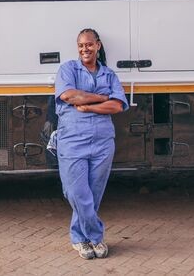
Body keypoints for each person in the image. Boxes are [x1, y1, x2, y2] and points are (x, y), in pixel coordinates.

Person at [54, 28, 128, 259]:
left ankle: (82, 239)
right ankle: (95, 235)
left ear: (98, 45)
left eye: (89, 44)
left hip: (103, 142)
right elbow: (68, 96)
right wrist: (103, 97)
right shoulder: (68, 69)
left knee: (94, 194)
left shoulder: (108, 74)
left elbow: (117, 106)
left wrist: (88, 106)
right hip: (72, 140)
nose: (84, 49)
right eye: (80, 45)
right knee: (76, 192)